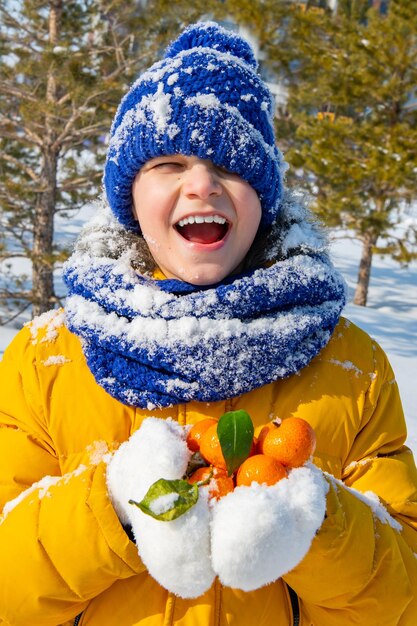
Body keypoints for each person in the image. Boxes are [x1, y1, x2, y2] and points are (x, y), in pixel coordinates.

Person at [0, 21, 416, 626]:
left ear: (263, 197)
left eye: (232, 164)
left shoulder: (353, 368)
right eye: (168, 163)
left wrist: (313, 521)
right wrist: (115, 508)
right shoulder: (45, 361)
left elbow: (402, 599)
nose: (200, 183)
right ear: (130, 196)